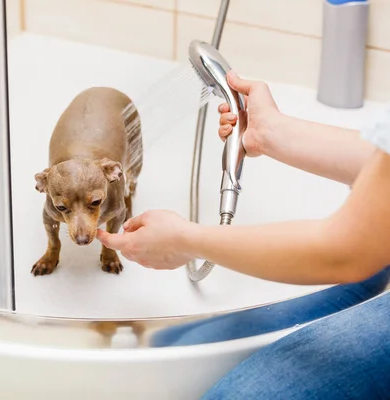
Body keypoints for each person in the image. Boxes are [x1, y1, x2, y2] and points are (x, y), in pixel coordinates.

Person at [97, 70, 390, 398]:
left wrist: (184, 240)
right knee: (174, 344)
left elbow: (345, 251)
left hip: (356, 253)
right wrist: (270, 132)